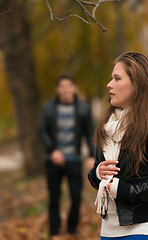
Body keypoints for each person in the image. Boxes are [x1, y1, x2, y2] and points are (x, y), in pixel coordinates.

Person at [88, 52, 148, 240]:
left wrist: (125, 190)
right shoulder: (107, 127)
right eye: (111, 78)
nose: (109, 84)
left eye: (117, 78)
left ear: (137, 84)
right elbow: (96, 177)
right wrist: (98, 173)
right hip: (109, 229)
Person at [39, 74, 95, 237]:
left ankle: (72, 228)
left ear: (74, 88)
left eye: (69, 86)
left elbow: (90, 133)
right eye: (62, 86)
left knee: (76, 196)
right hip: (53, 160)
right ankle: (54, 230)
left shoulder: (83, 108)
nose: (66, 90)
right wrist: (52, 151)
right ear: (57, 89)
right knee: (54, 198)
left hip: (75, 160)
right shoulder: (48, 108)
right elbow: (42, 130)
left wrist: (91, 155)